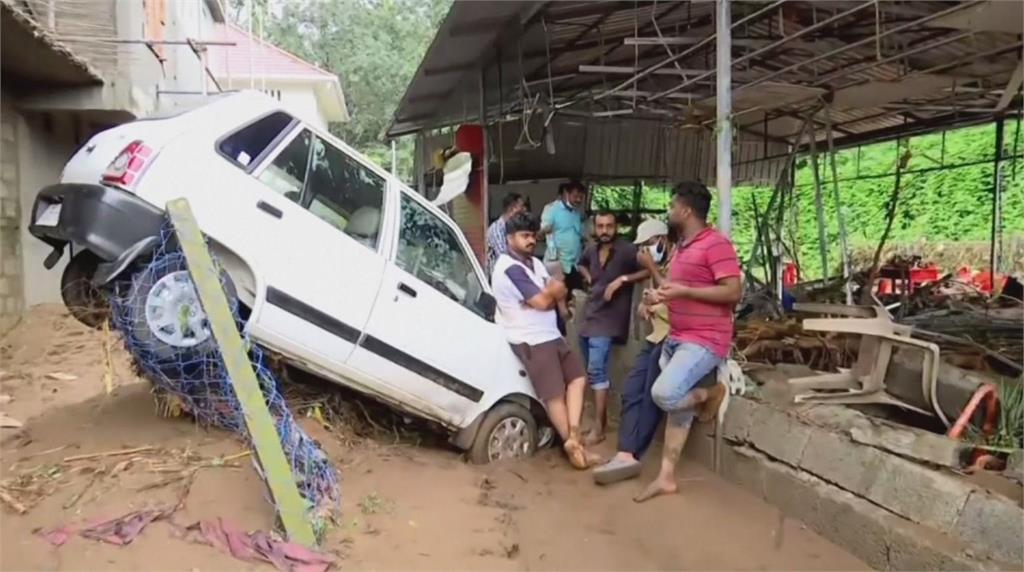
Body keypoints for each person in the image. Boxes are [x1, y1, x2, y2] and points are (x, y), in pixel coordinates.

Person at [634, 181, 742, 503]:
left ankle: (711, 394)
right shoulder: (682, 247)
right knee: (677, 413)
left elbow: (733, 292)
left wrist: (684, 292)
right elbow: (675, 288)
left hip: (705, 339)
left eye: (671, 206)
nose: (669, 212)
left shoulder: (716, 245)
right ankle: (666, 477)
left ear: (685, 210)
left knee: (664, 394)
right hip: (678, 337)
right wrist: (657, 297)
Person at [491, 212, 599, 469]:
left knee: (578, 379)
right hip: (531, 339)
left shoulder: (534, 264)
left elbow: (556, 289)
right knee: (554, 396)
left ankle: (574, 437)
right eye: (524, 236)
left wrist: (549, 293)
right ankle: (572, 447)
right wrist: (549, 293)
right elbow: (542, 300)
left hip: (550, 335)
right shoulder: (509, 268)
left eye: (532, 236)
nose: (530, 241)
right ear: (509, 239)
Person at [591, 219, 675, 484]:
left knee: (651, 397)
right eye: (642, 247)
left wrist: (652, 274)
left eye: (648, 245)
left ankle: (631, 454)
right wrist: (645, 306)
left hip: (672, 339)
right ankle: (626, 453)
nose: (644, 252)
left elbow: (675, 300)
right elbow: (654, 298)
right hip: (655, 336)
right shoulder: (658, 266)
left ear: (662, 240)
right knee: (631, 391)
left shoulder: (676, 264)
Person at [576, 212, 649, 444]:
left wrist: (622, 280)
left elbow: (649, 269)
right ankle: (599, 421)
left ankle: (599, 428)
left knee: (596, 372)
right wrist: (588, 277)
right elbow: (579, 264)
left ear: (616, 227)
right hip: (589, 317)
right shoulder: (592, 250)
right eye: (600, 226)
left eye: (609, 226)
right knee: (591, 372)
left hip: (609, 321)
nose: (604, 230)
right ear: (595, 228)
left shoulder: (627, 250)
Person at [541, 181, 588, 329]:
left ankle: (572, 331)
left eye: (581, 197)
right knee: (558, 299)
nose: (579, 200)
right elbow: (544, 232)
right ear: (567, 194)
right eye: (576, 196)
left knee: (576, 298)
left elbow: (579, 234)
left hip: (575, 264)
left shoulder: (577, 213)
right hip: (559, 264)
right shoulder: (552, 210)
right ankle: (557, 331)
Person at [486, 193, 527, 276]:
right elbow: (503, 255)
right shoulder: (497, 229)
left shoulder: (515, 228)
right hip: (501, 275)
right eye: (521, 206)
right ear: (512, 209)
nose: (524, 210)